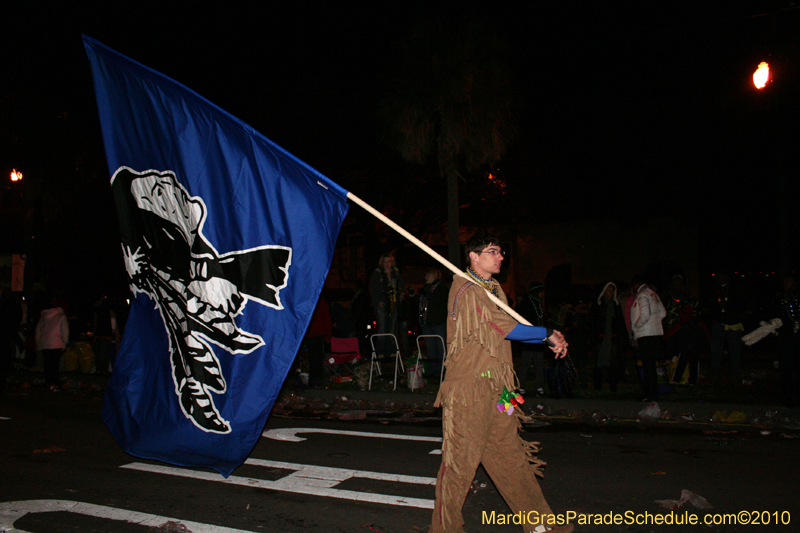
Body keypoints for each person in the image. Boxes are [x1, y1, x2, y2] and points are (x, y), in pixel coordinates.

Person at [430, 231, 573, 533]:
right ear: (474, 256)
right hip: (469, 391)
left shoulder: (492, 287)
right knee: (459, 466)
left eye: (500, 251)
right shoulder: (467, 290)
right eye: (493, 251)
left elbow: (506, 323)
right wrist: (545, 334)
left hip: (499, 389)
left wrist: (546, 335)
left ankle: (541, 526)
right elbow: (499, 326)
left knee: (511, 458)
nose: (500, 257)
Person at [662, 274, 704, 386]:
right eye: (675, 284)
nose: (677, 286)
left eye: (679, 284)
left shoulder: (689, 298)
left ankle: (690, 380)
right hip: (670, 332)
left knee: (688, 353)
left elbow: (697, 312)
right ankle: (672, 377)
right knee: (672, 356)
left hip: (686, 331)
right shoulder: (666, 297)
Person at [707, 271, 748, 384]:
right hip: (719, 324)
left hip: (734, 325)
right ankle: (713, 374)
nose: (719, 278)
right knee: (716, 351)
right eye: (718, 276)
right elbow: (710, 306)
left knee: (735, 352)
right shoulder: (714, 290)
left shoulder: (736, 289)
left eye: (722, 275)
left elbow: (741, 305)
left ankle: (735, 375)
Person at [630, 280, 666, 402]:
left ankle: (649, 394)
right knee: (651, 366)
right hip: (655, 333)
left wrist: (636, 326)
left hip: (646, 335)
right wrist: (654, 323)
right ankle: (653, 394)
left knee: (648, 366)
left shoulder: (642, 295)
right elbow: (663, 313)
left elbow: (645, 315)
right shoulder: (653, 294)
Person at [410, 267, 448, 378]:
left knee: (440, 347)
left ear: (434, 276)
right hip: (427, 323)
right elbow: (420, 302)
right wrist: (413, 295)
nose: (425, 277)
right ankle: (432, 371)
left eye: (428, 275)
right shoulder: (426, 289)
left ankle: (442, 371)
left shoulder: (441, 288)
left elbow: (437, 302)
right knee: (430, 347)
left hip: (438, 322)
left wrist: (425, 298)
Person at [589, 282, 626, 393]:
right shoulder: (598, 305)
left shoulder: (616, 305)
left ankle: (613, 386)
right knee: (599, 363)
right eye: (608, 291)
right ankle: (597, 387)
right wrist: (592, 339)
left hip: (612, 338)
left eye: (612, 291)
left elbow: (620, 322)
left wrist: (623, 336)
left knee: (613, 363)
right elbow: (593, 323)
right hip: (600, 338)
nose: (610, 294)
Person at [515, 282, 547, 396]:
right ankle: (521, 387)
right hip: (527, 341)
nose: (544, 294)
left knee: (539, 364)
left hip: (539, 341)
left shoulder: (539, 304)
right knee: (525, 364)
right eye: (542, 292)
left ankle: (539, 387)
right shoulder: (525, 303)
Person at [369, 254, 405, 356]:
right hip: (382, 304)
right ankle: (380, 351)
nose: (387, 264)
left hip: (393, 303)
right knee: (382, 328)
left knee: (391, 328)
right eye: (384, 262)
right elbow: (373, 288)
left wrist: (401, 294)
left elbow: (401, 286)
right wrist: (377, 301)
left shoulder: (396, 274)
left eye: (388, 262)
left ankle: (391, 350)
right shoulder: (378, 273)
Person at [775, 273, 800, 408]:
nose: (785, 283)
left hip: (797, 337)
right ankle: (788, 396)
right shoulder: (781, 298)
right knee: (786, 368)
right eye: (784, 280)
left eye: (788, 280)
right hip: (786, 337)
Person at [35, 298, 70, 391]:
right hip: (56, 343)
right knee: (54, 365)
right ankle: (55, 383)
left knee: (47, 364)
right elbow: (64, 330)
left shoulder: (44, 316)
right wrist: (65, 342)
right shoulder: (61, 316)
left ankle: (48, 382)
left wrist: (38, 341)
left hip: (44, 343)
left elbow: (38, 329)